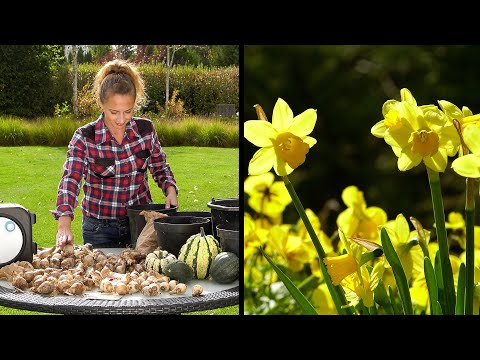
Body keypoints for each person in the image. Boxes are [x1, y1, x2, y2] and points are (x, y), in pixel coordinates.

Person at [51, 59, 178, 249]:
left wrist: (170, 190)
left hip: (141, 223)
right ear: (101, 103)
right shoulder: (85, 137)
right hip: (99, 229)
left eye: (127, 112)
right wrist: (64, 224)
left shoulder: (146, 129)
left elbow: (160, 167)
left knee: (144, 278)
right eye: (114, 112)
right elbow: (71, 180)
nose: (121, 119)